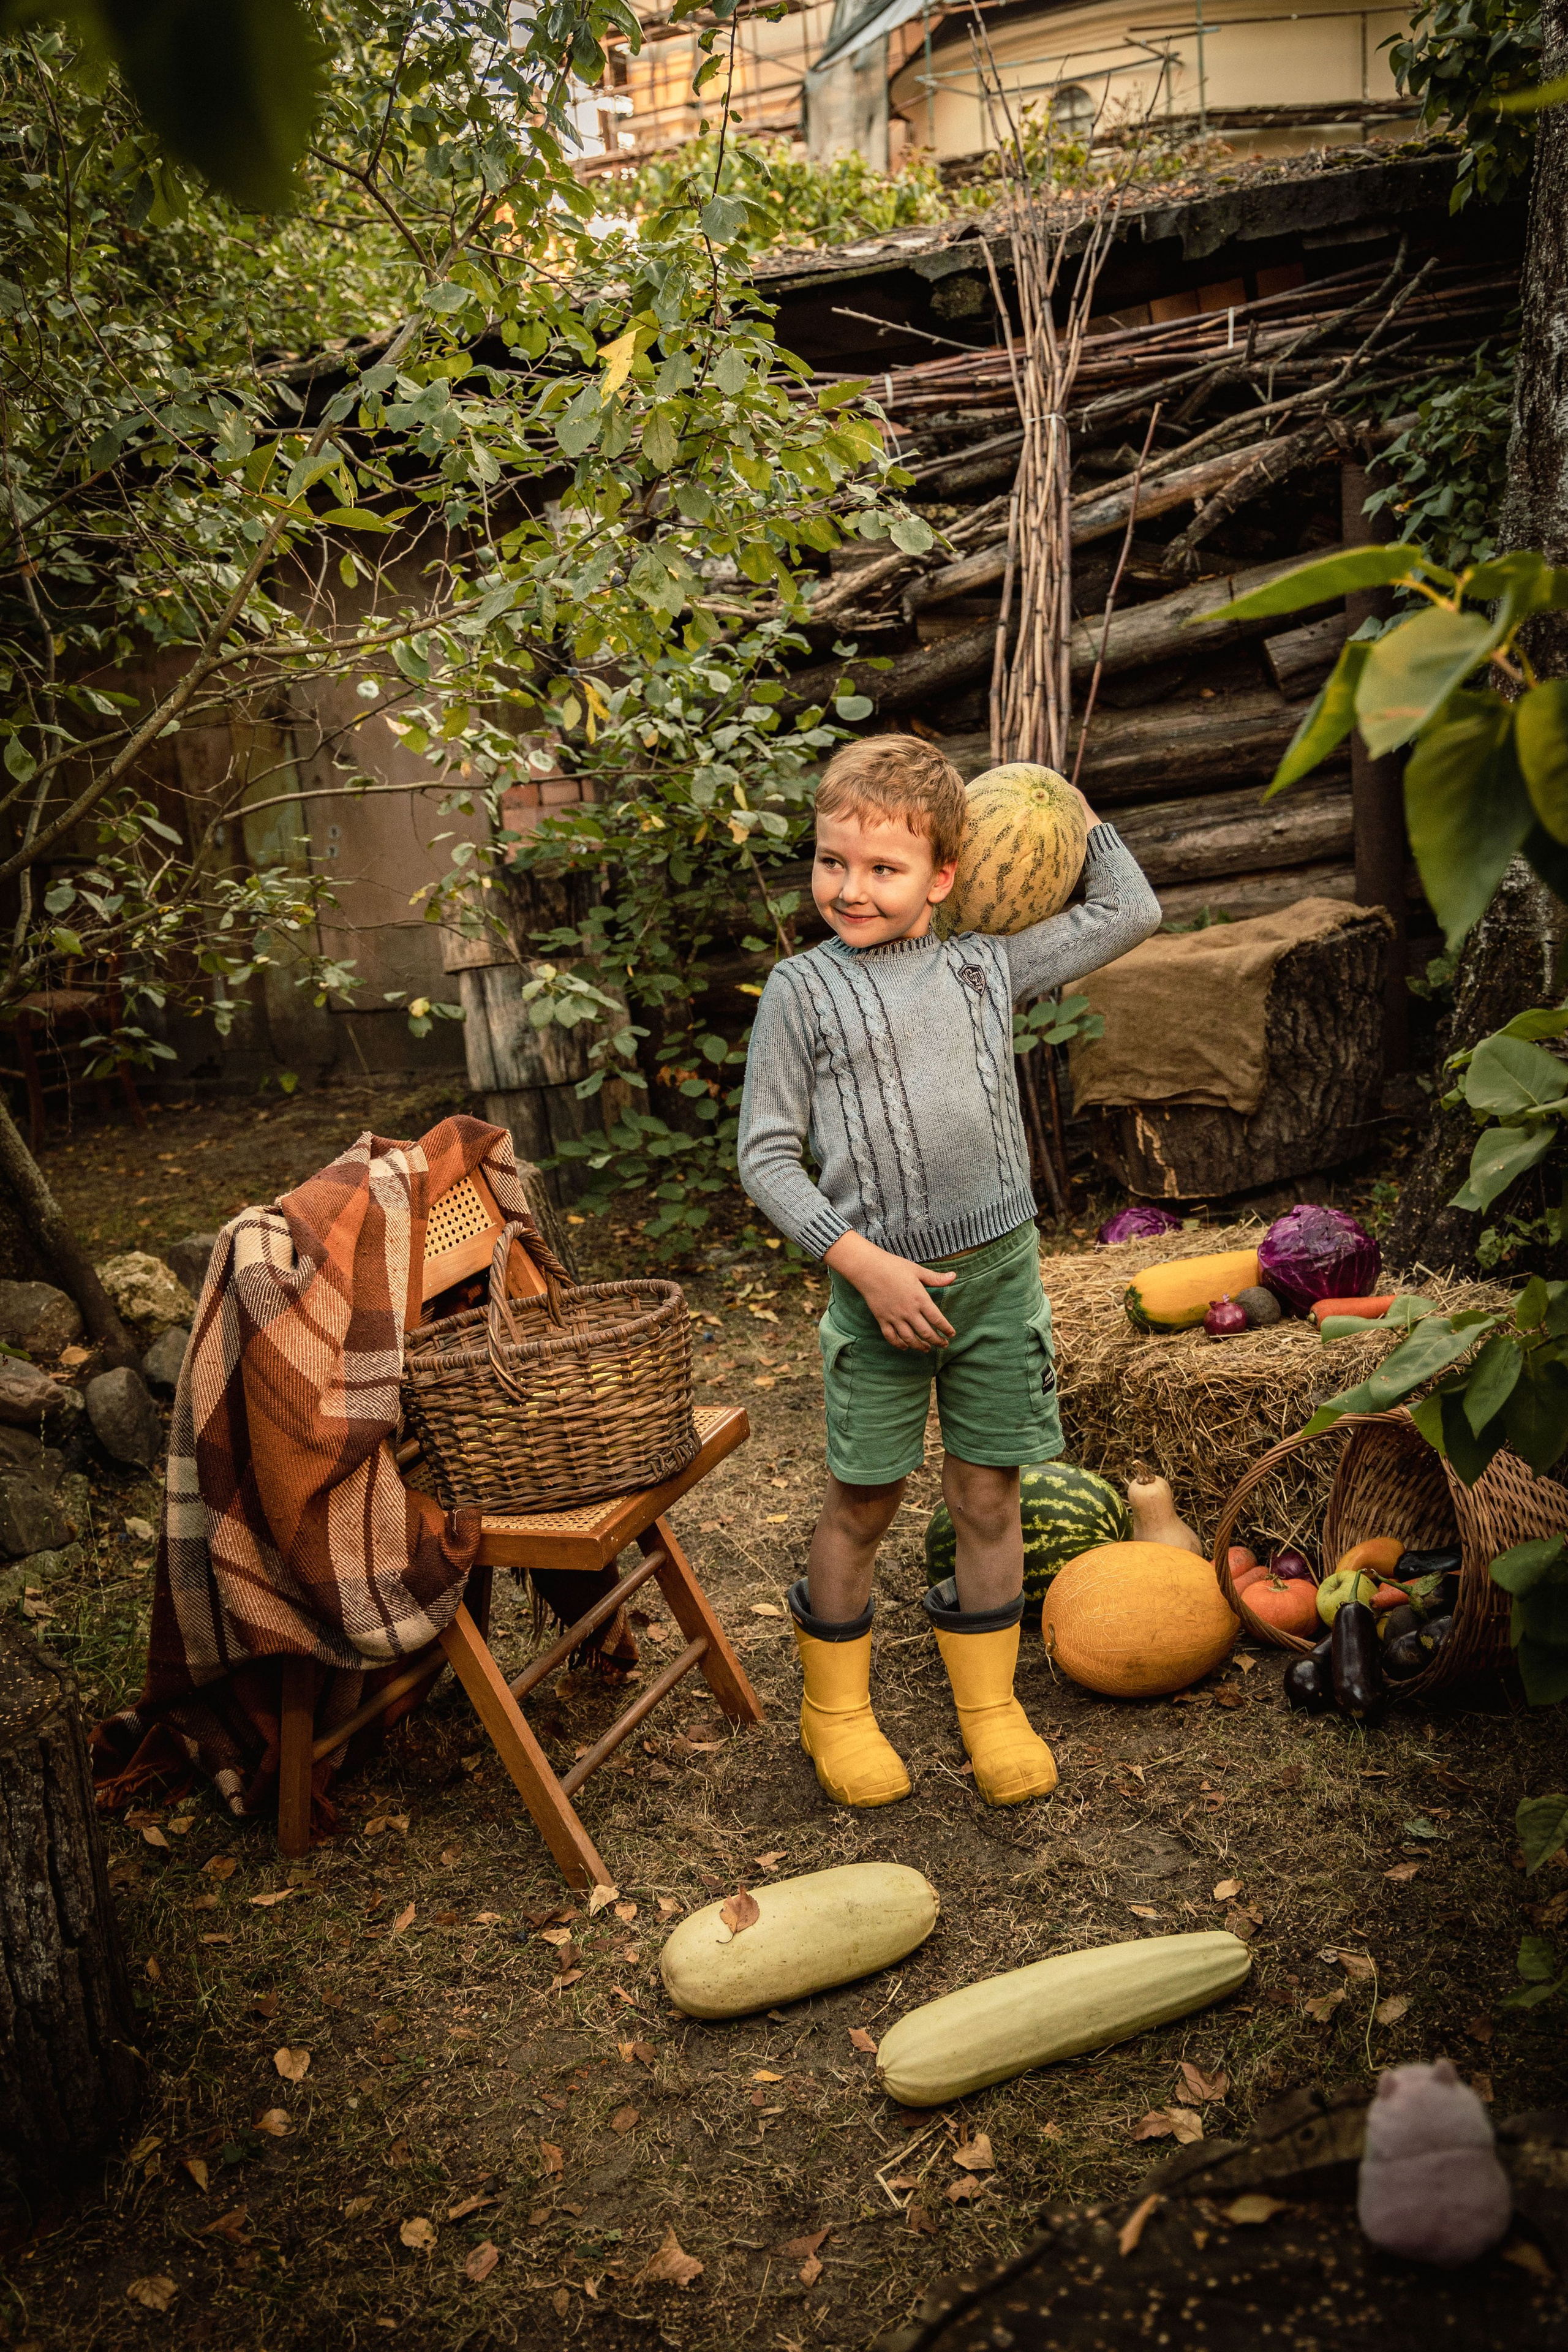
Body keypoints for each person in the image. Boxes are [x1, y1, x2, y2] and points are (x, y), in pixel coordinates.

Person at [736, 736, 1161, 1810]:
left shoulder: (983, 966)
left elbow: (1130, 912)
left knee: (987, 1494)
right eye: (834, 862)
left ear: (944, 876)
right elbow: (765, 1157)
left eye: (884, 868)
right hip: (874, 1289)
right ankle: (834, 1710)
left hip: (998, 1279)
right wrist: (862, 1263)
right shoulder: (800, 992)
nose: (852, 888)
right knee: (864, 1505)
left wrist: (1066, 804)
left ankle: (990, 1706)